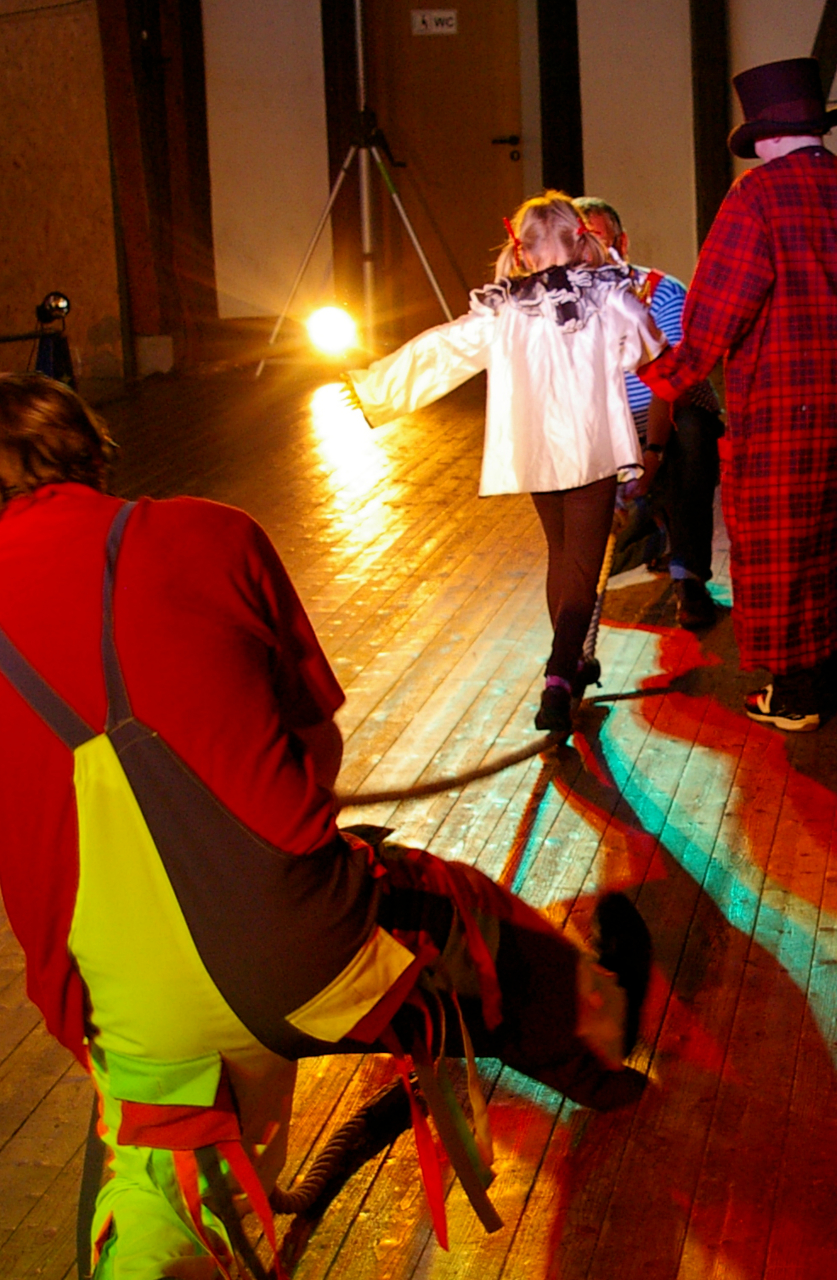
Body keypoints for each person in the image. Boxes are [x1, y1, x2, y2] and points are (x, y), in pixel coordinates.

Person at [0, 374, 653, 1278]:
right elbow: (316, 745)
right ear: (87, 451)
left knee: (160, 1183)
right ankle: (599, 1037)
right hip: (310, 949)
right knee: (468, 920)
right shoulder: (208, 532)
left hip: (117, 997)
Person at [638, 57, 837, 730]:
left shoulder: (756, 197)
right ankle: (831, 667)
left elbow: (717, 310)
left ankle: (796, 692)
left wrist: (668, 373)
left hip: (779, 402)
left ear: (766, 136)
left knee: (778, 543)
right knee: (835, 531)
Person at [347, 191, 668, 736]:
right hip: (590, 445)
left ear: (522, 251)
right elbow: (650, 349)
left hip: (534, 449)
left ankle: (571, 663)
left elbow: (443, 349)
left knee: (561, 555)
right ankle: (558, 676)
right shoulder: (606, 298)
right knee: (582, 566)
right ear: (579, 240)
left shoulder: (504, 309)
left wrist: (376, 389)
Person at [574, 197, 725, 630]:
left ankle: (688, 577)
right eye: (576, 244)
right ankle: (653, 530)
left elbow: (670, 383)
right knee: (600, 552)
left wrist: (652, 456)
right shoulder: (561, 303)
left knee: (693, 432)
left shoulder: (660, 292)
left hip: (667, 425)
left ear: (621, 243)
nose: (586, 255)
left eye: (596, 240)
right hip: (606, 436)